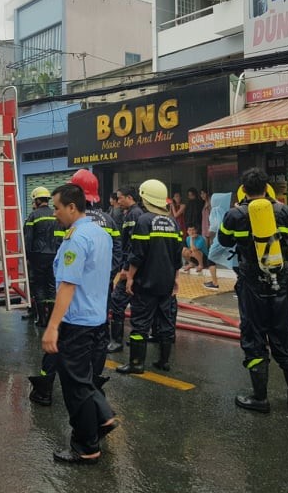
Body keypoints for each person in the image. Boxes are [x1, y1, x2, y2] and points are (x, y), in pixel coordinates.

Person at [28, 171, 120, 406]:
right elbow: (117, 254)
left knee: (58, 345)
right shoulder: (108, 221)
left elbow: (63, 257)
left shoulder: (73, 227)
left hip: (73, 302)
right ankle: (94, 395)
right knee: (96, 348)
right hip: (100, 298)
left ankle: (45, 388)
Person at [218, 168, 288, 414]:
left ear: (243, 189)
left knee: (254, 336)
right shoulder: (283, 211)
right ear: (268, 188)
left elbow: (224, 241)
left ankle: (260, 398)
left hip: (251, 284)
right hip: (281, 283)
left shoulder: (234, 215)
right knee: (285, 335)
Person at [42, 183, 117, 464]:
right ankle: (102, 417)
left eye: (57, 208)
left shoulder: (75, 239)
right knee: (85, 380)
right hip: (98, 320)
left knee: (75, 387)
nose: (54, 213)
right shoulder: (101, 233)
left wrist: (52, 327)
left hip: (77, 323)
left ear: (72, 207)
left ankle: (86, 448)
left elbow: (67, 286)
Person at [118, 179, 183, 373]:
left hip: (146, 283)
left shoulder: (144, 221)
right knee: (165, 322)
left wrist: (129, 277)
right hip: (166, 283)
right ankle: (164, 362)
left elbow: (137, 254)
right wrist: (176, 279)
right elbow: (177, 255)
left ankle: (136, 364)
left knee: (140, 323)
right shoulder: (173, 223)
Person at [107, 185, 144, 353]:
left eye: (120, 197)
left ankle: (116, 341)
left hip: (131, 268)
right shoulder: (132, 213)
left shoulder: (134, 215)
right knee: (135, 303)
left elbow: (133, 246)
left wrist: (126, 269)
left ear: (129, 197)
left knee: (117, 301)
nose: (118, 200)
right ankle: (134, 339)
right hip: (133, 267)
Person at [23, 186, 62, 331]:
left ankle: (41, 319)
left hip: (37, 256)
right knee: (52, 286)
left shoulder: (32, 217)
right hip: (54, 256)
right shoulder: (55, 214)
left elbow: (28, 239)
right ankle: (51, 318)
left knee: (38, 286)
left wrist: (27, 256)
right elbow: (61, 237)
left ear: (38, 200)